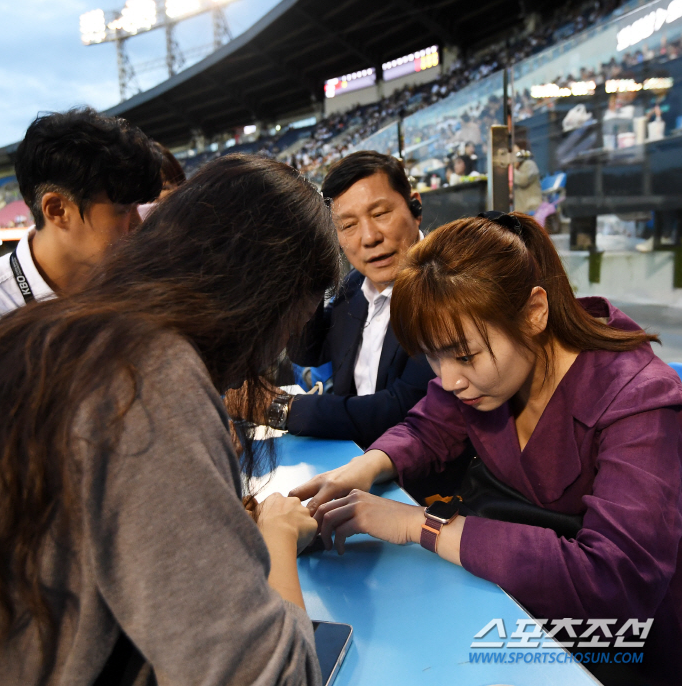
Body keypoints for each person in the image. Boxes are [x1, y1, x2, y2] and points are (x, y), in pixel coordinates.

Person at [0, 154, 339, 685]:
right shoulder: (147, 377)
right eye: (297, 316)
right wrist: (278, 535)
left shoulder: (42, 331)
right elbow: (262, 675)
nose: (278, 348)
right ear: (265, 294)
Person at [292, 212, 682, 685]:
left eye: (465, 354)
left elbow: (614, 579)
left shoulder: (640, 399)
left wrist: (423, 525)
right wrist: (365, 466)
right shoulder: (495, 372)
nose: (449, 380)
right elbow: (427, 426)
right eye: (433, 356)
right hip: (519, 609)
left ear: (535, 311)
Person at [230, 151, 435, 452]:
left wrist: (279, 407)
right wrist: (311, 266)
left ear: (415, 206)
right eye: (348, 225)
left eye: (380, 214)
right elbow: (307, 352)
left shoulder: (446, 287)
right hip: (351, 460)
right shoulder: (354, 285)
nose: (369, 237)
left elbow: (403, 408)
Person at [0, 107, 162, 332]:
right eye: (124, 211)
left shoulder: (140, 283)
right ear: (57, 210)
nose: (139, 225)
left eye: (138, 208)